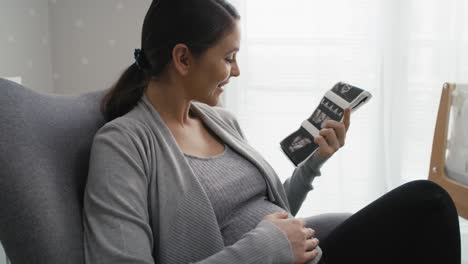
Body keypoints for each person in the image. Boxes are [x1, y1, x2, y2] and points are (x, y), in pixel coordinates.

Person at [82, 0, 462, 263]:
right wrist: (267, 249)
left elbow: (274, 213)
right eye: (228, 58)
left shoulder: (220, 121)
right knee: (427, 203)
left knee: (424, 218)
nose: (237, 71)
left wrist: (314, 163)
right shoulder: (123, 146)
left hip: (308, 255)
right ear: (182, 58)